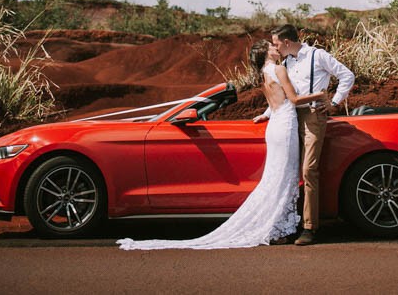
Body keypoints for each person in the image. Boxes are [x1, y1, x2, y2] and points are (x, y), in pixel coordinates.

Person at [116, 40, 327, 251]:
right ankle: (274, 228)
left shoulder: (263, 73)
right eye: (273, 47)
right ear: (266, 52)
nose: (277, 48)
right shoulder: (279, 68)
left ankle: (273, 227)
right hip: (286, 127)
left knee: (275, 178)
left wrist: (264, 115)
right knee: (284, 178)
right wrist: (321, 94)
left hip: (275, 126)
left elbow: (275, 103)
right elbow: (293, 98)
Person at [261, 23, 355, 246]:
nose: (274, 48)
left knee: (308, 170)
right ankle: (288, 225)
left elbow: (347, 76)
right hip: (290, 119)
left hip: (313, 116)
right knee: (290, 171)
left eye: (276, 44)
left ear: (286, 42)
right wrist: (266, 113)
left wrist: (333, 102)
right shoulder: (286, 62)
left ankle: (309, 228)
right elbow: (283, 92)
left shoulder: (317, 55)